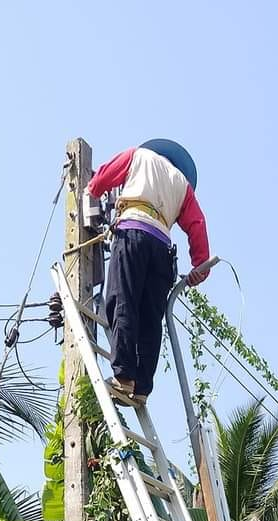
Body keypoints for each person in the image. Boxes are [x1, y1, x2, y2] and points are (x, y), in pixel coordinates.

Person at [86, 139, 210, 406]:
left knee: (122, 301)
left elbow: (99, 183)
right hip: (162, 248)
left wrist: (93, 188)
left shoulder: (137, 156)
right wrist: (200, 265)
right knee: (151, 319)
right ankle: (142, 387)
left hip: (133, 231)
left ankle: (123, 377)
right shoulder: (183, 186)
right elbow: (197, 224)